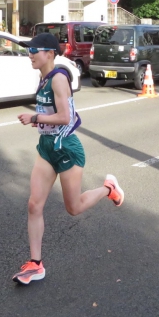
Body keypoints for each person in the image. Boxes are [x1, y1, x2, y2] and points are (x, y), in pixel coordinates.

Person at [13, 33, 124, 285]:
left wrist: (35, 118)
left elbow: (65, 117)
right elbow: (51, 114)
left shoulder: (59, 79)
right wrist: (41, 123)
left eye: (35, 50)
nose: (30, 55)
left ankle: (108, 189)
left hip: (67, 149)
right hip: (47, 147)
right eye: (29, 50)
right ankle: (36, 264)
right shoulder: (43, 78)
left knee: (73, 208)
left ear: (50, 54)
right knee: (34, 205)